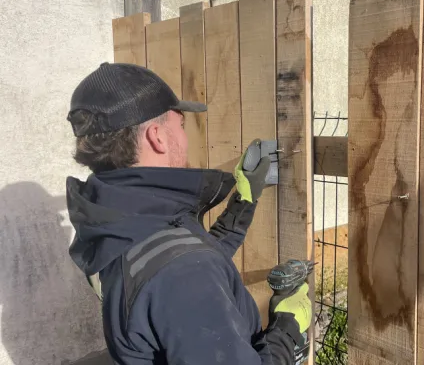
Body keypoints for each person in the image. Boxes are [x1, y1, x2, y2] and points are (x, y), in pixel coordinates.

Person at [65, 63, 311, 364]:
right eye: (180, 125)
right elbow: (184, 268)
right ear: (157, 137)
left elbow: (188, 252)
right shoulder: (182, 276)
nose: (184, 137)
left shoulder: (114, 220)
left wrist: (244, 201)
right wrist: (288, 328)